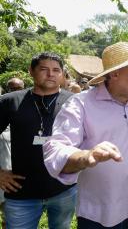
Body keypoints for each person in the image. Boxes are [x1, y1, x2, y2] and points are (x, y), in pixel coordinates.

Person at [43, 41, 128, 228]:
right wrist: (86, 156)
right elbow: (56, 150)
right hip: (99, 215)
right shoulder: (81, 105)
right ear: (114, 73)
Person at [0, 53, 77, 229]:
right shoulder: (10, 101)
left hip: (64, 190)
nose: (51, 74)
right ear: (31, 71)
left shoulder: (74, 102)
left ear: (62, 74)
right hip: (21, 194)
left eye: (56, 70)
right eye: (44, 69)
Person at [0, 78, 25, 228]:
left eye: (18, 89)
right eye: (11, 89)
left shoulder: (27, 112)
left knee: (9, 220)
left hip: (10, 179)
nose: (15, 93)